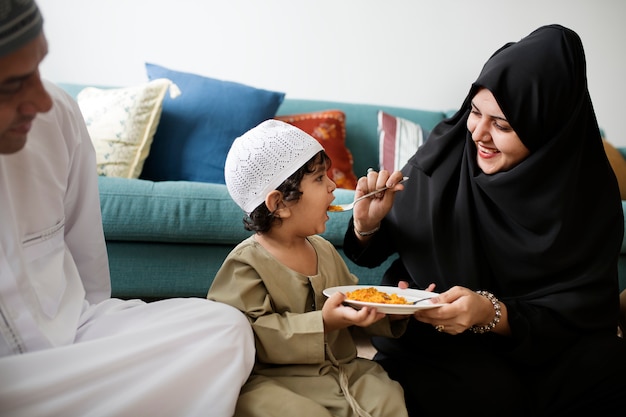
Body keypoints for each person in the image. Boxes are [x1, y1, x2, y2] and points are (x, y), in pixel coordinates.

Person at [343, 24, 626, 417]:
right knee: (490, 395)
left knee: (611, 367)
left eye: (503, 125)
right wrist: (367, 224)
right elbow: (374, 253)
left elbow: (582, 310)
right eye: (475, 112)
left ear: (548, 129)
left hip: (539, 339)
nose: (479, 134)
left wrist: (491, 313)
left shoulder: (589, 193)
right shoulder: (446, 152)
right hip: (440, 336)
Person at [0, 2, 254, 416]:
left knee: (225, 329)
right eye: (13, 84)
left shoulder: (57, 116)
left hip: (74, 342)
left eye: (38, 71)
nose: (41, 101)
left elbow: (88, 271)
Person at [208, 119, 409, 417]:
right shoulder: (245, 265)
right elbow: (249, 335)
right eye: (318, 179)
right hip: (275, 381)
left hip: (343, 370)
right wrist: (323, 323)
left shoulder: (324, 250)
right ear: (279, 204)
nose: (332, 186)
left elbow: (352, 298)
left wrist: (391, 307)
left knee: (388, 395)